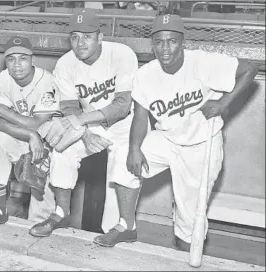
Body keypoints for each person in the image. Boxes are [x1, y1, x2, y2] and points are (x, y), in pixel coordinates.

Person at [115, 14, 258, 250]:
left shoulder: (203, 62)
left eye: (171, 41)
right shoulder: (146, 74)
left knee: (189, 218)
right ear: (152, 44)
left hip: (202, 145)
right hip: (167, 139)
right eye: (159, 42)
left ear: (183, 42)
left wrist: (224, 103)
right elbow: (140, 118)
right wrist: (133, 149)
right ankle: (126, 227)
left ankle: (183, 260)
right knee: (122, 159)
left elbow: (250, 69)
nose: (165, 48)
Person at [29, 9, 140, 246]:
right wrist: (85, 133)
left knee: (123, 165)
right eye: (75, 36)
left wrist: (81, 123)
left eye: (87, 36)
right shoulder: (66, 63)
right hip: (90, 124)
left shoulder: (121, 54)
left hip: (126, 125)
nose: (80, 43)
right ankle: (61, 213)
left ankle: (125, 227)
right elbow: (69, 107)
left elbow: (122, 106)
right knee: (62, 150)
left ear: (100, 37)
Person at [0, 36, 61, 231]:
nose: (16, 65)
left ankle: (42, 228)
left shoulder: (47, 81)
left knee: (41, 208)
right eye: (11, 59)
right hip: (25, 138)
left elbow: (37, 124)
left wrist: (2, 110)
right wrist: (30, 136)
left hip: (49, 143)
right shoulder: (2, 79)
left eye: (22, 58)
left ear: (33, 60)